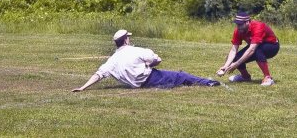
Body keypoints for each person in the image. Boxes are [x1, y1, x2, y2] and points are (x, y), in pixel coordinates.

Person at [72, 29, 220, 92]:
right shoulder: (136, 50)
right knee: (181, 75)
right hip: (151, 78)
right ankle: (209, 83)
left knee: (175, 79)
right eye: (128, 37)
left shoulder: (112, 60)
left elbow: (99, 74)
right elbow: (156, 59)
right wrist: (155, 61)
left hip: (138, 85)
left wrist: (83, 87)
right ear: (126, 40)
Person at [216, 12, 280, 86]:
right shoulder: (238, 31)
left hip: (272, 46)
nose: (238, 26)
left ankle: (268, 78)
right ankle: (245, 77)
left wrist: (236, 64)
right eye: (237, 24)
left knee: (257, 50)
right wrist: (225, 66)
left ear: (247, 22)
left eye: (240, 24)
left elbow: (252, 49)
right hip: (256, 46)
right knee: (236, 57)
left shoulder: (258, 26)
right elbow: (233, 50)